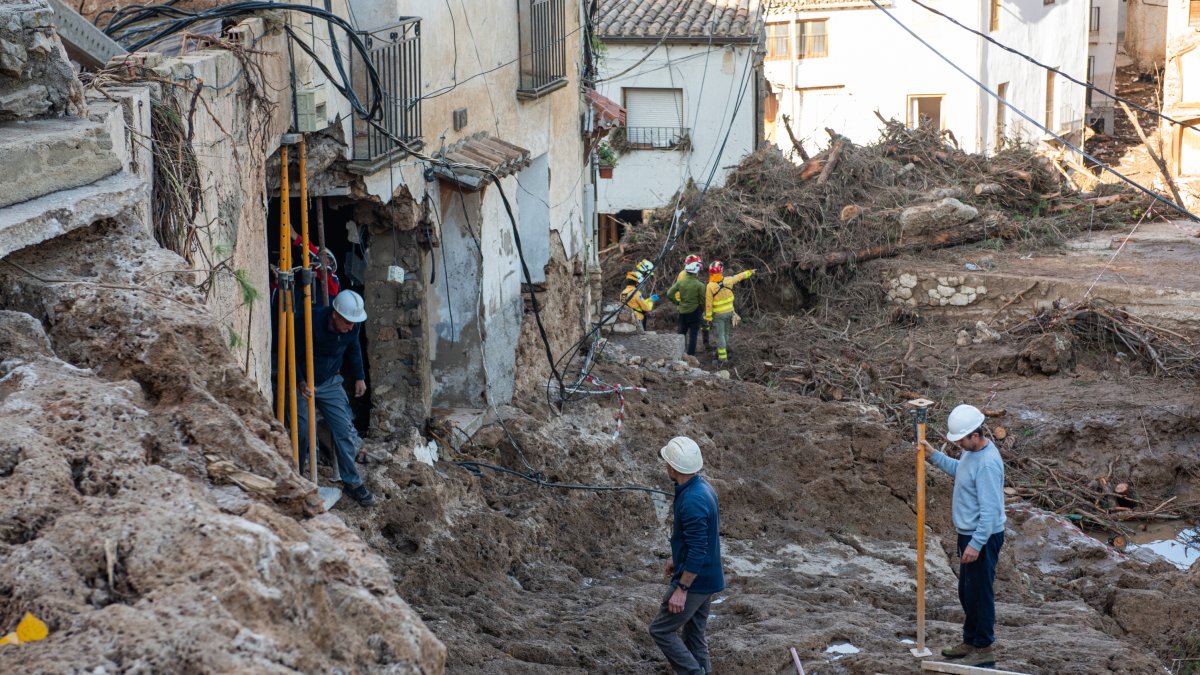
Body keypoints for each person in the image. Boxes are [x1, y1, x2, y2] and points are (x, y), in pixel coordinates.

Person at [920, 404, 1006, 668]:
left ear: (975, 435)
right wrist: (933, 456)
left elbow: (990, 512)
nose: (957, 443)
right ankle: (970, 640)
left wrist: (976, 544)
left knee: (980, 593)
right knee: (967, 592)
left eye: (960, 439)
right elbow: (961, 471)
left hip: (984, 536)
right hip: (969, 534)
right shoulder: (972, 453)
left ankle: (984, 647)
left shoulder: (988, 464)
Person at [650, 436, 724, 675]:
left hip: (696, 582)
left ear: (672, 467)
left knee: (660, 630)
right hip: (709, 578)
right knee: (693, 635)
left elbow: (699, 549)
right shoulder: (700, 488)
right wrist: (677, 557)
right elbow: (696, 541)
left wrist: (682, 589)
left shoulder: (692, 500)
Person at [297, 289, 376, 506]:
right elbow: (290, 352)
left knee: (344, 430)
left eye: (354, 323)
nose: (352, 327)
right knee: (302, 430)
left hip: (330, 380)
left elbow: (354, 348)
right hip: (304, 381)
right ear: (335, 315)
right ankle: (298, 478)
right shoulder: (310, 321)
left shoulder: (353, 324)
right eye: (348, 322)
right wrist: (300, 381)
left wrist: (359, 376)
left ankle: (351, 481)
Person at [703, 261, 755, 363]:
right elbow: (740, 276)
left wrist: (708, 318)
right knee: (726, 334)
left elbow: (708, 304)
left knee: (720, 335)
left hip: (719, 315)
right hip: (730, 313)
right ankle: (723, 351)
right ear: (721, 271)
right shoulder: (728, 280)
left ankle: (722, 358)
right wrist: (750, 272)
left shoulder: (710, 286)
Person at [666, 260, 706, 356]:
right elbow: (702, 300)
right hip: (695, 312)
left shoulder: (680, 282)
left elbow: (669, 294)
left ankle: (680, 353)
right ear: (696, 272)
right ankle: (690, 355)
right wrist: (702, 309)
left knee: (681, 333)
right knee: (693, 335)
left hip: (682, 311)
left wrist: (678, 302)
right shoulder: (700, 285)